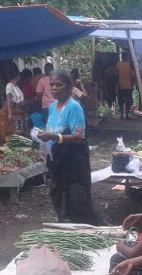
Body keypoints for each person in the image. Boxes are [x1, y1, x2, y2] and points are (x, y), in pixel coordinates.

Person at [37, 70, 100, 226]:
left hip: (74, 161)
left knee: (78, 201)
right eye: (51, 85)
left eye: (59, 85)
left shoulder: (74, 107)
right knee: (58, 197)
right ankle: (66, 226)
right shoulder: (52, 107)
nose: (54, 88)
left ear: (69, 86)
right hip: (58, 161)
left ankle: (89, 230)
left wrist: (53, 137)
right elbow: (53, 130)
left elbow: (79, 137)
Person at [5, 68, 27, 134]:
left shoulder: (16, 86)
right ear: (17, 76)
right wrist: (9, 113)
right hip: (15, 113)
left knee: (23, 131)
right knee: (17, 131)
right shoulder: (9, 86)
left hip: (21, 112)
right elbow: (8, 100)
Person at [115, 52, 135, 120]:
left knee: (121, 100)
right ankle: (126, 115)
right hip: (128, 86)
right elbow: (132, 76)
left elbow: (116, 75)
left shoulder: (118, 65)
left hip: (120, 86)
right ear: (127, 57)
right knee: (128, 101)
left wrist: (117, 83)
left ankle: (121, 114)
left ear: (122, 57)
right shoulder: (130, 65)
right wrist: (133, 84)